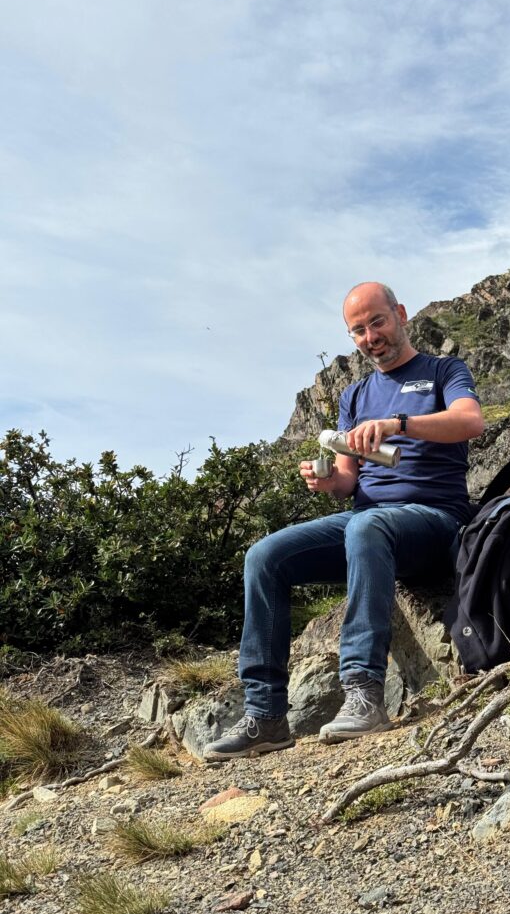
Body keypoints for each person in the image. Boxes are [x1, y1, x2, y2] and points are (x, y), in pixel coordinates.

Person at [203, 282, 484, 761]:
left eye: (377, 321)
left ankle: (363, 692)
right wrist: (326, 479)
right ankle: (266, 716)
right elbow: (350, 482)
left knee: (365, 527)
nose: (371, 335)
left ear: (399, 314)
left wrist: (401, 424)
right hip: (368, 525)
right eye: (358, 330)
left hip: (436, 522)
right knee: (265, 556)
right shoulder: (354, 395)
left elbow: (470, 421)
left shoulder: (443, 370)